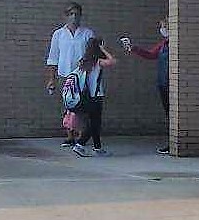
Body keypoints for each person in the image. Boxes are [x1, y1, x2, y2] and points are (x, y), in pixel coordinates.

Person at [122, 17, 172, 153]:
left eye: (164, 27)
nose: (162, 30)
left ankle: (174, 142)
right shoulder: (163, 45)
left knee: (173, 114)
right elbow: (150, 54)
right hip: (163, 82)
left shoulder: (175, 44)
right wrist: (133, 48)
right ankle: (172, 142)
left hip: (172, 83)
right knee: (168, 113)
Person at [46, 3, 93, 146]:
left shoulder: (87, 33)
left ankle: (81, 135)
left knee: (82, 106)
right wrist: (51, 79)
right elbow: (53, 57)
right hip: (65, 75)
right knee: (68, 106)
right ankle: (69, 135)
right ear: (66, 16)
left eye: (77, 14)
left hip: (82, 76)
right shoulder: (59, 34)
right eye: (71, 14)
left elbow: (93, 54)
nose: (74, 17)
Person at [70, 34, 116, 156]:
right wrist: (103, 50)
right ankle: (80, 144)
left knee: (94, 122)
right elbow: (112, 61)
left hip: (86, 96)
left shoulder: (83, 61)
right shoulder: (98, 62)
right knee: (94, 123)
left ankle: (98, 148)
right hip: (96, 96)